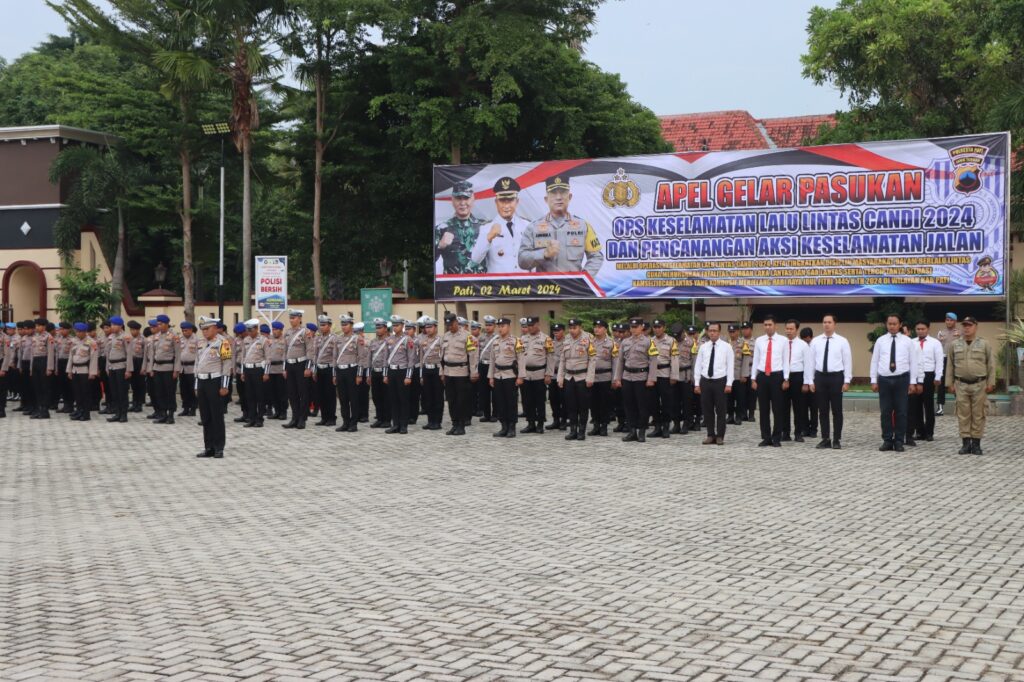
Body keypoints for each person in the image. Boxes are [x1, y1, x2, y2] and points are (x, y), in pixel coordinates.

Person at [518, 176, 603, 276]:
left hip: (572, 289)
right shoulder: (533, 227)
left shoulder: (583, 226)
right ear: (546, 199)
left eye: (562, 192)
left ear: (569, 197)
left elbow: (596, 256)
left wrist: (584, 278)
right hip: (544, 289)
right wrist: (544, 254)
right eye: (553, 193)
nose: (558, 197)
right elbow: (522, 260)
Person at [870, 314, 920, 452]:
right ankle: (887, 439)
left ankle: (899, 440)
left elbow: (913, 362)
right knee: (885, 411)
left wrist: (913, 382)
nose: (892, 326)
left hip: (901, 379)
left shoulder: (907, 341)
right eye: (889, 324)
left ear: (900, 324)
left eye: (894, 324)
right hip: (884, 379)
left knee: (901, 411)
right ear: (886, 324)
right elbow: (875, 361)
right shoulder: (880, 341)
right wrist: (873, 380)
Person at [949, 316, 996, 455]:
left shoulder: (984, 344)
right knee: (963, 415)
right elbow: (950, 365)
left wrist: (991, 382)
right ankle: (965, 443)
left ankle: (976, 444)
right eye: (964, 325)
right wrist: (949, 383)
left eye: (969, 325)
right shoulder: (955, 344)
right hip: (961, 384)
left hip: (979, 384)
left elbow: (991, 364)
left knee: (978, 414)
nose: (966, 328)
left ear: (976, 326)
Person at [807, 314, 852, 449]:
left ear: (834, 324)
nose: (826, 324)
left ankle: (837, 439)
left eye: (829, 322)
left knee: (837, 410)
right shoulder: (815, 341)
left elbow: (847, 361)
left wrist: (847, 380)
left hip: (836, 377)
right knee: (823, 410)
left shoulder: (842, 341)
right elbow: (811, 362)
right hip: (820, 377)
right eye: (824, 322)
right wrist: (810, 380)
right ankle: (825, 438)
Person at [613, 317, 658, 443]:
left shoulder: (649, 342)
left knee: (642, 405)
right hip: (627, 377)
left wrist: (651, 379)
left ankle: (642, 430)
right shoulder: (625, 342)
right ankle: (632, 431)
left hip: (641, 377)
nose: (633, 329)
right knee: (629, 405)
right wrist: (617, 377)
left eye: (636, 327)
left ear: (642, 327)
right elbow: (620, 361)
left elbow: (653, 361)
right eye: (632, 327)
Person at [471, 177, 529, 273]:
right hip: (498, 285)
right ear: (496, 202)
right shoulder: (486, 228)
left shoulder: (527, 226)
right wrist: (488, 238)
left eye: (510, 200)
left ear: (517, 201)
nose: (506, 206)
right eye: (502, 201)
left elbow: (533, 261)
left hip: (524, 285)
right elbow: (475, 259)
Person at [195, 316, 232, 458]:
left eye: (207, 329)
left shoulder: (224, 342)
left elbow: (227, 364)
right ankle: (208, 447)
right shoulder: (200, 343)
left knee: (216, 416)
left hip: (215, 382)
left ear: (215, 329)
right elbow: (197, 364)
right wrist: (197, 384)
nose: (204, 332)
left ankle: (219, 447)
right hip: (203, 382)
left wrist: (224, 385)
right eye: (203, 329)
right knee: (206, 417)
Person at [751, 315, 790, 447]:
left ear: (775, 326)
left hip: (777, 376)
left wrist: (786, 378)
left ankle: (777, 437)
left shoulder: (783, 340)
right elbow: (756, 360)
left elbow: (786, 360)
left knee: (777, 408)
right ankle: (766, 437)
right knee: (763, 409)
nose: (767, 327)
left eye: (770, 325)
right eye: (765, 325)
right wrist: (753, 378)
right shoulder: (759, 341)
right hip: (762, 376)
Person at [440, 312, 479, 435]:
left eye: (451, 325)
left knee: (461, 401)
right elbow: (441, 356)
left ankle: (461, 426)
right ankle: (454, 424)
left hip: (461, 373)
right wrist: (441, 372)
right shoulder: (445, 336)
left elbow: (473, 356)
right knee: (451, 401)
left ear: (456, 322)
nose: (449, 327)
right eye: (447, 325)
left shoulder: (468, 337)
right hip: (448, 372)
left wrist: (474, 373)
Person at [694, 322, 734, 444]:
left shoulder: (727, 347)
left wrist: (729, 383)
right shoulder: (703, 346)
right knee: (707, 409)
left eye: (715, 330)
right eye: (710, 330)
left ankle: (720, 435)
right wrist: (697, 383)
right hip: (705, 381)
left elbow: (730, 366)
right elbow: (698, 366)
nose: (712, 333)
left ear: (719, 332)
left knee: (721, 410)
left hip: (720, 381)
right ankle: (710, 434)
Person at [435, 180, 486, 274]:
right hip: (451, 287)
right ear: (452, 200)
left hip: (480, 286)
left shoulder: (485, 227)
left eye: (466, 198)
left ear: (473, 199)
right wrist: (440, 246)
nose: (462, 203)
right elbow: (430, 261)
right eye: (458, 198)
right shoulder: (441, 228)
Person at [557, 318, 596, 441]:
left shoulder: (588, 339)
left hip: (582, 377)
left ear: (580, 327)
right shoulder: (566, 339)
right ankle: (573, 430)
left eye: (575, 328)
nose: (572, 330)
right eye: (571, 328)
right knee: (571, 405)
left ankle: (581, 431)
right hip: (569, 377)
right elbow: (562, 360)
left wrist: (590, 377)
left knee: (583, 406)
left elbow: (592, 360)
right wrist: (560, 377)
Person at [910, 320, 944, 442]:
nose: (920, 331)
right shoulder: (911, 342)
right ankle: (919, 431)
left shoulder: (935, 343)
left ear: (928, 329)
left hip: (929, 375)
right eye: (918, 329)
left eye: (923, 329)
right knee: (916, 405)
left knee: (928, 405)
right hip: (915, 376)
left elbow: (939, 361)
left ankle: (929, 432)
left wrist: (938, 377)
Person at [488, 317, 522, 438]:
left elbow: (521, 360)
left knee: (511, 402)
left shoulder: (516, 341)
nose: (500, 328)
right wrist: (491, 377)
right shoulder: (495, 341)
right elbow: (492, 360)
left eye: (503, 326)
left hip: (510, 375)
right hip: (498, 375)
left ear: (508, 327)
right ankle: (503, 427)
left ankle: (512, 427)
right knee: (500, 402)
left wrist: (520, 376)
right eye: (499, 326)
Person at [518, 316, 553, 434]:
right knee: (527, 400)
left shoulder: (546, 339)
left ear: (538, 325)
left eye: (532, 325)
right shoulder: (522, 339)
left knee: (539, 400)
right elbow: (520, 357)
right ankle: (530, 423)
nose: (530, 327)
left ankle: (540, 424)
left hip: (540, 373)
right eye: (529, 325)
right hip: (526, 374)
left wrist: (548, 374)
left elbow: (550, 357)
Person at [282, 309, 315, 430]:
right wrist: (284, 368)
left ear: (300, 318)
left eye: (294, 318)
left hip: (301, 365)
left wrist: (308, 367)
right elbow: (285, 351)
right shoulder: (287, 332)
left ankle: (302, 419)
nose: (292, 320)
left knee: (303, 393)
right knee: (292, 393)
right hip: (290, 366)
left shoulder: (305, 332)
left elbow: (310, 350)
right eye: (290, 318)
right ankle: (294, 418)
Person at [383, 315, 416, 434]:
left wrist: (408, 376)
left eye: (397, 325)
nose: (395, 327)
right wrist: (385, 374)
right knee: (393, 399)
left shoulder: (408, 340)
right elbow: (386, 358)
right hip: (392, 371)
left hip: (403, 371)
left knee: (403, 399)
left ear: (402, 326)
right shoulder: (389, 339)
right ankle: (395, 424)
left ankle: (403, 425)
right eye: (393, 325)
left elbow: (411, 359)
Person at [783, 319, 814, 442]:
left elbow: (808, 365)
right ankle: (785, 433)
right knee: (783, 406)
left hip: (798, 376)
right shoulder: (782, 343)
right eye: (787, 329)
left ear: (796, 330)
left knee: (798, 407)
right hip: (785, 376)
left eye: (791, 329)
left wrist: (806, 382)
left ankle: (798, 433)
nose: (788, 331)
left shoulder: (803, 345)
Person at [331, 314, 363, 433]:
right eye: (342, 324)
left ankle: (353, 423)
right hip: (340, 370)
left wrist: (359, 375)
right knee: (343, 398)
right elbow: (334, 357)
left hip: (352, 370)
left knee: (353, 398)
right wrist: (334, 374)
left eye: (346, 324)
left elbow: (361, 357)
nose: (344, 327)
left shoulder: (357, 339)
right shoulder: (338, 339)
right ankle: (345, 422)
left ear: (351, 325)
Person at [648, 319, 679, 439]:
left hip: (665, 375)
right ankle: (657, 427)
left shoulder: (671, 341)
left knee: (666, 402)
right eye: (655, 327)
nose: (657, 329)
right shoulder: (650, 341)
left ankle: (666, 426)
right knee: (653, 402)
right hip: (653, 375)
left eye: (659, 327)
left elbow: (675, 359)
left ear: (664, 328)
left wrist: (674, 376)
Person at [149, 314, 181, 424]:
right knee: (159, 392)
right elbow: (152, 354)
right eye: (158, 324)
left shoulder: (174, 336)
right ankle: (163, 414)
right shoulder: (156, 337)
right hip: (157, 368)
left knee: (169, 392)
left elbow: (178, 355)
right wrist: (151, 369)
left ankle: (171, 415)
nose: (159, 326)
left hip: (169, 368)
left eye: (161, 324)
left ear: (167, 324)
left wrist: (176, 370)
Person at [239, 319, 269, 428]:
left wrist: (266, 373)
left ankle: (259, 419)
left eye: (251, 330)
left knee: (259, 396)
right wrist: (242, 372)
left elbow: (268, 358)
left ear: (256, 329)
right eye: (248, 330)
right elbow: (243, 357)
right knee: (250, 396)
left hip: (258, 370)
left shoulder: (263, 340)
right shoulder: (245, 340)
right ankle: (251, 418)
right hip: (248, 369)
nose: (249, 332)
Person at [311, 314, 339, 427]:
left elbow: (335, 356)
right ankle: (324, 417)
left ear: (330, 325)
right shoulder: (317, 338)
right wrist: (314, 370)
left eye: (324, 325)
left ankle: (331, 418)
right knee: (320, 394)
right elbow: (315, 355)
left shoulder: (334, 338)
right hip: (319, 369)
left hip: (329, 369)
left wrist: (334, 373)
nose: (322, 327)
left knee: (330, 395)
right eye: (320, 325)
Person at [588, 320, 615, 437]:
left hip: (605, 376)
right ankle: (596, 425)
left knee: (605, 403)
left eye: (599, 327)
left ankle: (604, 426)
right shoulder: (590, 342)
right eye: (595, 327)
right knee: (593, 403)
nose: (596, 329)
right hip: (592, 377)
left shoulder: (611, 343)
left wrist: (615, 379)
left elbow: (615, 362)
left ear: (605, 329)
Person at [66, 322, 98, 420]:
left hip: (85, 370)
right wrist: (69, 370)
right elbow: (71, 356)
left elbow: (93, 358)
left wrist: (92, 372)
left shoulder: (91, 342)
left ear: (85, 332)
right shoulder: (73, 341)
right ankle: (79, 411)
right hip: (75, 370)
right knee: (77, 393)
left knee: (85, 393)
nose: (78, 333)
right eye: (77, 331)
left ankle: (86, 413)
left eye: (80, 332)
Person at [417, 317, 444, 430]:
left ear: (435, 327)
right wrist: (421, 374)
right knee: (428, 396)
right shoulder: (423, 341)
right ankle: (430, 420)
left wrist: (443, 373)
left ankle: (437, 421)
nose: (427, 329)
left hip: (437, 370)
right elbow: (421, 358)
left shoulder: (440, 340)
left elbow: (443, 357)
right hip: (427, 370)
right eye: (426, 327)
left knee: (437, 397)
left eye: (430, 327)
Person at [104, 316, 131, 423]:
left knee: (122, 392)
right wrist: (107, 367)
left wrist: (128, 370)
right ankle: (117, 413)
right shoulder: (110, 337)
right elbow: (107, 354)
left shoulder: (126, 337)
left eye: (114, 325)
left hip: (121, 366)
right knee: (114, 391)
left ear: (120, 326)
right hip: (112, 366)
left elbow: (129, 354)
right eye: (111, 325)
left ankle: (123, 414)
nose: (112, 327)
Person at [28, 318, 56, 419]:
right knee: (37, 386)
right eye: (36, 326)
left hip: (44, 361)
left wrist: (49, 368)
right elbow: (32, 353)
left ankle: (45, 410)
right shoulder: (34, 336)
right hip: (35, 361)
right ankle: (39, 408)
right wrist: (31, 367)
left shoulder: (48, 337)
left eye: (38, 326)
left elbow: (51, 353)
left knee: (45, 387)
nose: (36, 327)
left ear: (44, 326)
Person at [367, 319, 392, 428]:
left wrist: (387, 374)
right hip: (375, 372)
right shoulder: (373, 342)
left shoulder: (390, 341)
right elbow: (369, 358)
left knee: (386, 397)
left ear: (385, 328)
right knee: (376, 397)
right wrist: (368, 374)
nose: (378, 330)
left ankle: (387, 420)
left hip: (385, 372)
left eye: (380, 328)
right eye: (376, 328)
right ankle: (379, 418)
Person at [936, 312, 960, 416]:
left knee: (957, 382)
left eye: (951, 320)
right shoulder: (941, 332)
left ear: (955, 321)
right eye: (947, 320)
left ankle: (959, 406)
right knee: (941, 383)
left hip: (956, 359)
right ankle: (940, 407)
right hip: (944, 359)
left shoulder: (960, 333)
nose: (949, 322)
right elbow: (937, 347)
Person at [475, 316, 498, 421]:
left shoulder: (498, 338)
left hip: (493, 366)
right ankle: (486, 414)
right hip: (483, 365)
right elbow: (477, 353)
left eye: (490, 325)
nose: (488, 327)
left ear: (494, 326)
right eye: (487, 325)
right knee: (484, 391)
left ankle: (495, 414)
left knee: (495, 391)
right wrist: (476, 368)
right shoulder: (481, 338)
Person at [726, 324, 749, 425]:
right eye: (730, 332)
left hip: (738, 374)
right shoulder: (725, 343)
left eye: (733, 331)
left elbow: (746, 360)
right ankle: (730, 416)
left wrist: (744, 374)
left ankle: (739, 416)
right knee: (728, 398)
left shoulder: (744, 343)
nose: (732, 334)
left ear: (738, 332)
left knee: (740, 397)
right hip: (727, 376)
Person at [547, 323, 567, 430]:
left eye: (558, 330)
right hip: (552, 374)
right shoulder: (550, 343)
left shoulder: (567, 343)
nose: (555, 332)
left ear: (563, 331)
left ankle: (563, 421)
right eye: (554, 330)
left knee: (563, 399)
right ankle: (556, 420)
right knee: (553, 399)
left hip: (562, 375)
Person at [266, 321, 287, 420]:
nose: (274, 331)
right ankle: (277, 411)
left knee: (282, 392)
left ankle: (283, 412)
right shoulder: (269, 340)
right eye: (273, 329)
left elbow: (285, 355)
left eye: (276, 330)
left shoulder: (285, 340)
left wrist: (284, 369)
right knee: (272, 392)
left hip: (280, 369)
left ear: (281, 330)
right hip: (270, 369)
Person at [177, 321, 200, 416]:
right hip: (182, 368)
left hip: (192, 368)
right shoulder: (179, 339)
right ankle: (185, 408)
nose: (184, 332)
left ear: (191, 330)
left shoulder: (197, 340)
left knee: (192, 389)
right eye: (183, 330)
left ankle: (193, 408)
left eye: (186, 330)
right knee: (183, 389)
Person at [799, 327, 817, 438]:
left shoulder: (815, 346)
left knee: (814, 407)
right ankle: (805, 428)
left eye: (808, 340)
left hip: (815, 380)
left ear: (811, 337)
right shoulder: (801, 346)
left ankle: (814, 429)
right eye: (804, 340)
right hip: (803, 380)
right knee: (803, 406)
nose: (806, 342)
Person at [127, 320, 146, 412]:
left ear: (138, 330)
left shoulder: (143, 339)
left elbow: (145, 354)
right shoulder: (128, 338)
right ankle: (134, 403)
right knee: (133, 384)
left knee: (140, 384)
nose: (132, 331)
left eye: (134, 330)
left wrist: (144, 367)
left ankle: (139, 404)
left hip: (139, 361)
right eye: (131, 330)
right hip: (131, 361)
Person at [740, 322, 756, 421]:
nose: (745, 330)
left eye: (747, 328)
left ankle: (751, 414)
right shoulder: (739, 342)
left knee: (752, 394)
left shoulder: (756, 341)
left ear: (751, 329)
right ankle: (743, 413)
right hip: (742, 372)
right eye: (743, 328)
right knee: (742, 394)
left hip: (752, 371)